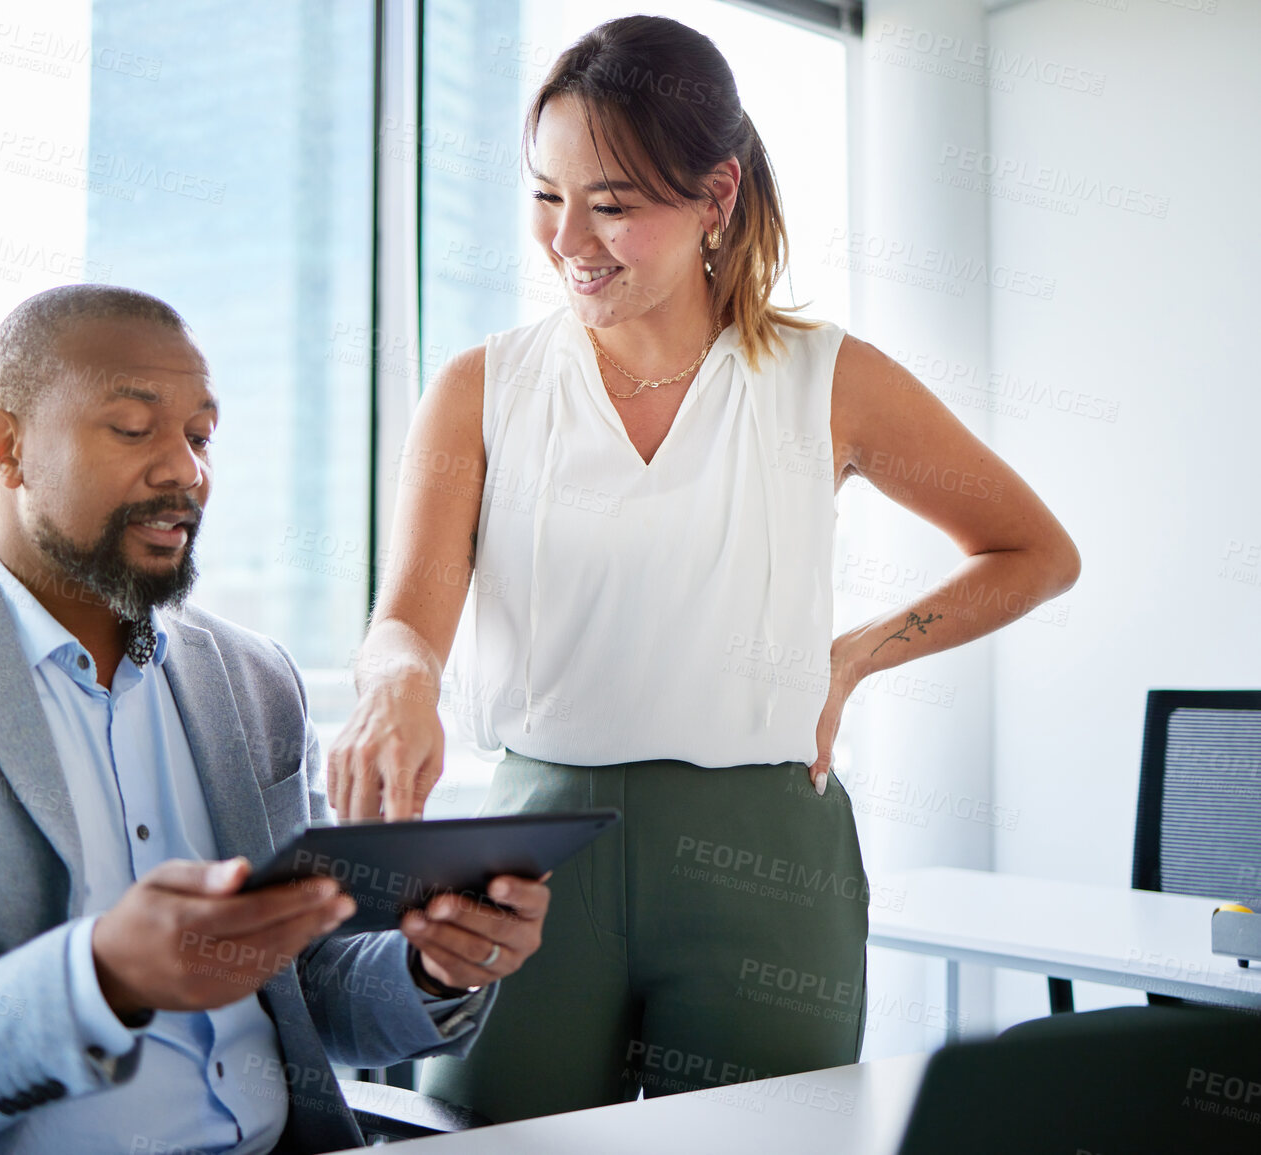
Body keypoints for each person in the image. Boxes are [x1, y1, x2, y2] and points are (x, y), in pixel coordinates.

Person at [328, 15, 1080, 1124]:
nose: (568, 239)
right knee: (486, 1142)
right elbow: (410, 619)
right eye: (547, 195)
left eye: (615, 204)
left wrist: (855, 657)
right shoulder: (480, 389)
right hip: (538, 848)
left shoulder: (830, 379)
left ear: (715, 198)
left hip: (766, 860)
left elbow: (1036, 553)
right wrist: (393, 678)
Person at [0, 284, 552, 1155]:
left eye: (199, 436)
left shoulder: (251, 678)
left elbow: (303, 987)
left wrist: (433, 966)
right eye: (133, 429)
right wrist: (100, 977)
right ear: (7, 448)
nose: (185, 470)